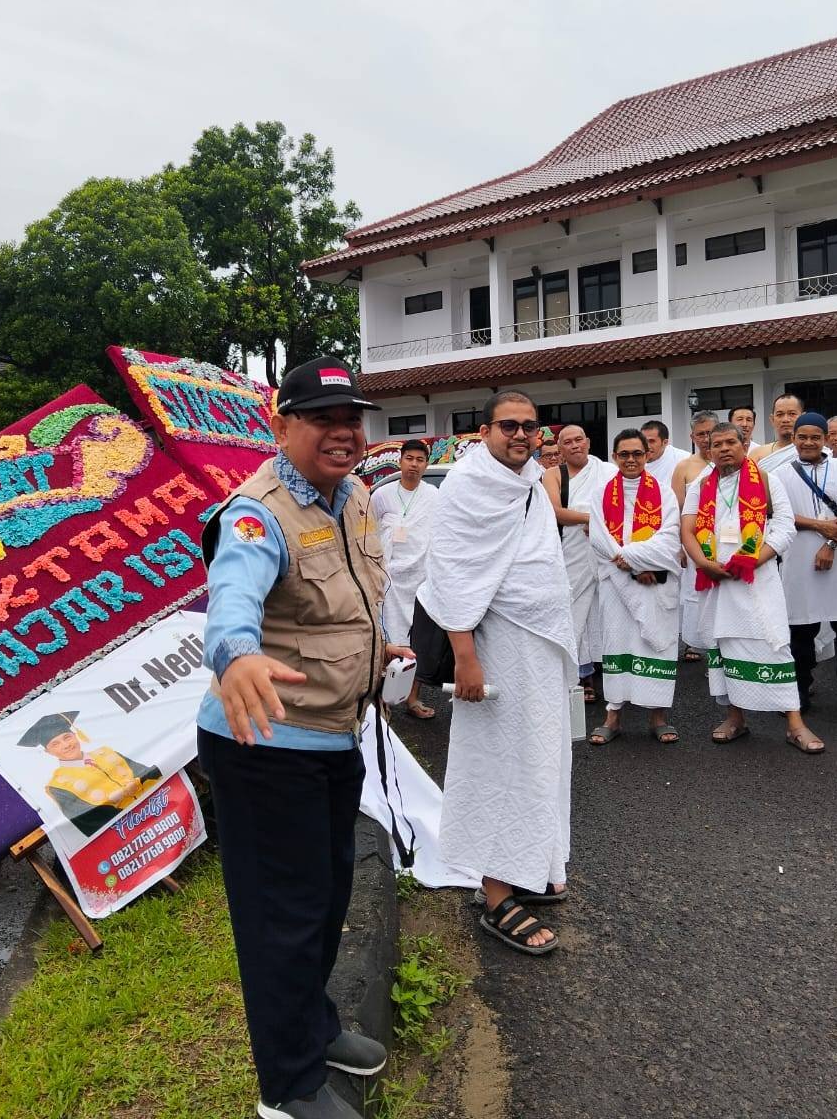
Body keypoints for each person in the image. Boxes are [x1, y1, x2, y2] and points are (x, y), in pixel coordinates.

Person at [197, 356, 413, 1119]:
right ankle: (285, 1090)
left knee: (323, 903)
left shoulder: (352, 496)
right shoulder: (256, 513)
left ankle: (314, 1030)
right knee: (281, 918)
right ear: (279, 425)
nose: (343, 432)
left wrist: (376, 651)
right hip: (265, 748)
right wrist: (238, 653)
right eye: (322, 418)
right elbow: (233, 600)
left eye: (351, 417)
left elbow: (343, 603)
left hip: (330, 737)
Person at [419, 392, 576, 955]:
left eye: (530, 426)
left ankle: (528, 865)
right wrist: (465, 655)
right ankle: (494, 893)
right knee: (498, 763)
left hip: (540, 645)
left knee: (541, 758)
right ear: (485, 430)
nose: (520, 434)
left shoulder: (531, 478)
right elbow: (453, 573)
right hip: (495, 645)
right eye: (508, 426)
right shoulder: (465, 486)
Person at [680, 422, 824, 754]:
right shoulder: (700, 486)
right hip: (716, 580)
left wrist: (755, 559)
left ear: (745, 445)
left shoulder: (768, 480)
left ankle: (794, 723)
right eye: (717, 444)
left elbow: (785, 526)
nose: (724, 448)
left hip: (758, 578)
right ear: (709, 450)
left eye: (731, 442)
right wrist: (704, 564)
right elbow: (687, 529)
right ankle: (736, 718)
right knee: (726, 646)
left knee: (774, 645)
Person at [588, 430, 682, 745]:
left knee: (656, 643)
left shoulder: (664, 494)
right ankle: (613, 715)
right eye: (624, 454)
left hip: (652, 581)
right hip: (616, 583)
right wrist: (629, 564)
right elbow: (599, 538)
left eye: (637, 454)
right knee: (617, 643)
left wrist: (637, 562)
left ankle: (658, 716)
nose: (631, 460)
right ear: (614, 457)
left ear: (647, 455)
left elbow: (670, 539)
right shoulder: (601, 492)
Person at [778, 413, 837, 713]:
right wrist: (819, 526)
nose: (808, 442)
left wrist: (831, 544)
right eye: (802, 436)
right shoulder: (782, 474)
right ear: (794, 438)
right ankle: (800, 688)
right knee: (800, 628)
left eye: (815, 437)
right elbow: (780, 515)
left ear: (824, 439)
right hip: (798, 562)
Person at [543, 425, 616, 700]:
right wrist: (591, 519)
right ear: (560, 449)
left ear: (587, 442)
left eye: (578, 440)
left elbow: (619, 507)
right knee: (574, 613)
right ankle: (578, 676)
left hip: (606, 551)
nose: (574, 446)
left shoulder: (607, 471)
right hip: (571, 552)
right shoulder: (553, 474)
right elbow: (555, 512)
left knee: (606, 611)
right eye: (567, 442)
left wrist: (599, 524)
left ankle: (612, 675)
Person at [370, 438, 439, 719]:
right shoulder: (382, 495)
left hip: (422, 580)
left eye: (419, 460)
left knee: (418, 641)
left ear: (426, 464)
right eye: (409, 458)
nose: (414, 464)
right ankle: (380, 699)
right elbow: (369, 535)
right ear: (400, 461)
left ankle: (412, 699)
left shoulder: (434, 495)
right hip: (389, 580)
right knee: (386, 639)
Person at [16, 710, 161, 837]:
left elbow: (149, 774)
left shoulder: (107, 753)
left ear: (76, 735)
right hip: (132, 830)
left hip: (160, 804)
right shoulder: (58, 786)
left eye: (67, 737)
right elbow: (91, 822)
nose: (66, 745)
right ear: (48, 752)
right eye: (55, 744)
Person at [671, 411, 719, 662]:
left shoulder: (731, 461)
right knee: (696, 593)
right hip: (695, 543)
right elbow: (675, 510)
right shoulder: (685, 467)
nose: (706, 438)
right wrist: (680, 546)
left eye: (710, 432)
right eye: (700, 434)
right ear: (692, 436)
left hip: (726, 541)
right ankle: (700, 643)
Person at [750, 393, 803, 471]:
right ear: (772, 419)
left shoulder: (814, 451)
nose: (786, 420)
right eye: (780, 414)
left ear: (803, 417)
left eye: (792, 414)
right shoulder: (757, 454)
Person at [640, 419, 690, 487]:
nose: (646, 446)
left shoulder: (683, 458)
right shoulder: (631, 460)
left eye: (651, 441)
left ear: (665, 443)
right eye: (643, 441)